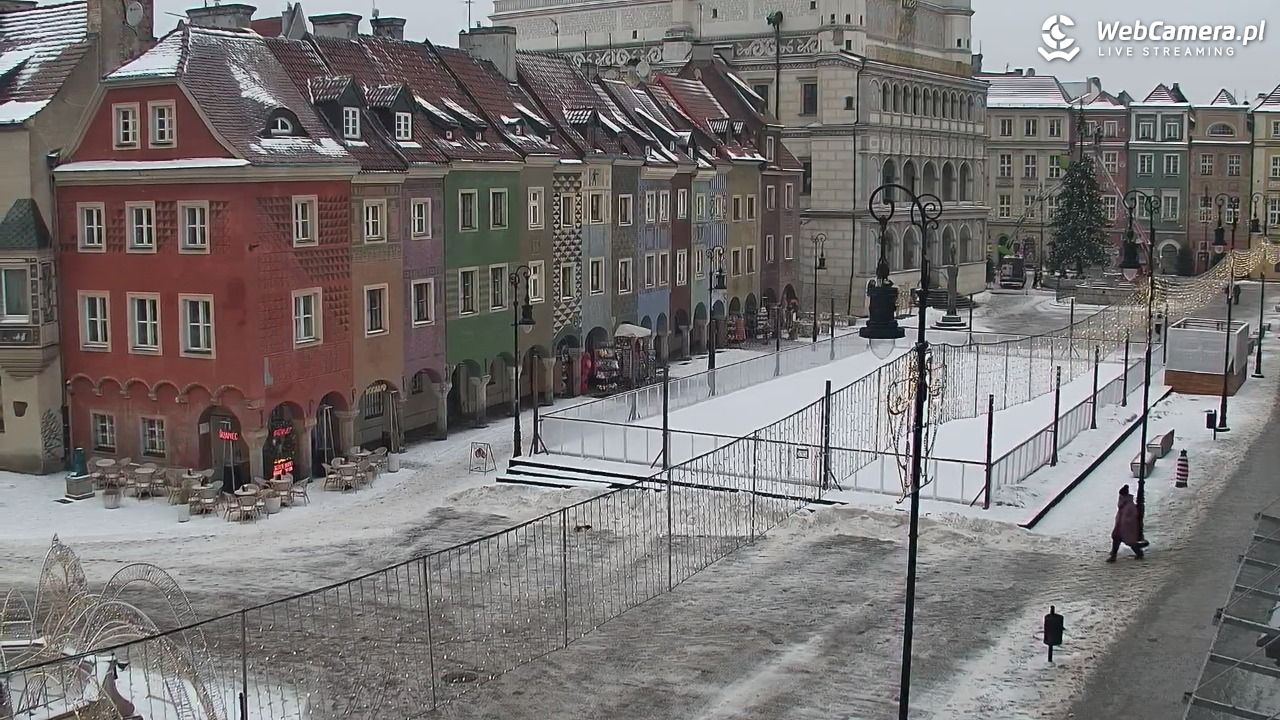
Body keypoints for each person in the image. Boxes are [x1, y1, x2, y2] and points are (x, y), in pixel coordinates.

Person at [1108, 484, 1144, 562]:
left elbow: (1132, 517)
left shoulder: (1128, 506)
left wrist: (1125, 523)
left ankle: (1139, 553)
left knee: (1129, 542)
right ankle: (1113, 555)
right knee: (1117, 540)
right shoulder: (1124, 504)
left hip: (1126, 528)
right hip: (1120, 527)